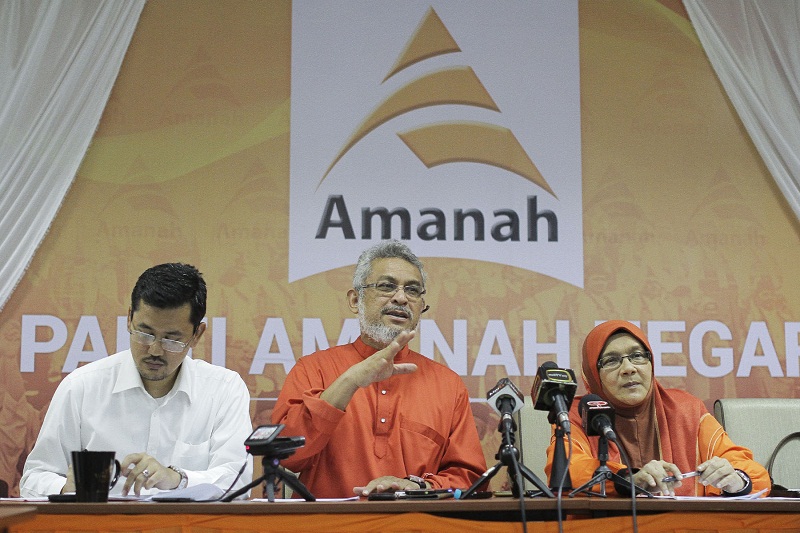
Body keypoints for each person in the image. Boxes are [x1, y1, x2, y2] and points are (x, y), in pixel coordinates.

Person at [272, 240, 486, 498]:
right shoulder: (312, 369)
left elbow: (471, 479)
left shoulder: (448, 385)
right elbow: (285, 456)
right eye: (386, 286)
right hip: (329, 519)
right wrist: (350, 380)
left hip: (415, 519)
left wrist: (418, 487)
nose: (401, 298)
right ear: (355, 300)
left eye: (412, 290)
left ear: (421, 307)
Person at [20, 263, 253, 497]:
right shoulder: (82, 387)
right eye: (145, 333)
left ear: (197, 335)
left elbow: (237, 482)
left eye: (171, 340)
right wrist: (66, 487)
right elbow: (34, 478)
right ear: (129, 319)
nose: (155, 350)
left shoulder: (224, 390)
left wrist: (177, 479)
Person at [545, 320, 770, 497]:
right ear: (593, 374)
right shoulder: (577, 414)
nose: (628, 368)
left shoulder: (687, 409)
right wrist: (630, 480)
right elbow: (567, 471)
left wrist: (737, 480)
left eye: (637, 356)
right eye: (611, 361)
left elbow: (751, 472)